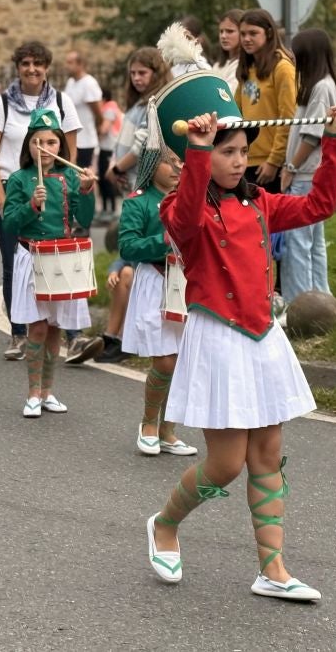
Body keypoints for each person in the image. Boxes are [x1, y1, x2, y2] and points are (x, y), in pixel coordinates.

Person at [144, 70, 336, 602]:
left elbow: (319, 206)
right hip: (217, 339)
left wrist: (335, 142)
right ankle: (165, 524)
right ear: (203, 155)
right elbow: (187, 216)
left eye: (242, 150)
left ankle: (272, 570)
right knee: (226, 464)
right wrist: (194, 149)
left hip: (263, 338)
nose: (239, 160)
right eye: (227, 151)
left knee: (268, 453)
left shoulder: (257, 203)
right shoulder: (179, 208)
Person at [0, 41, 83, 361]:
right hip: (14, 188)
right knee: (15, 264)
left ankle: (72, 335)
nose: (32, 69)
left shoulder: (62, 102)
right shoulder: (1, 103)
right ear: (18, 67)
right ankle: (19, 333)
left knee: (60, 257)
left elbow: (70, 153)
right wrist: (1, 200)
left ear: (47, 68)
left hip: (54, 190)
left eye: (38, 63)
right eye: (26, 63)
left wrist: (69, 187)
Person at [2, 108, 96, 417]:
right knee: (38, 328)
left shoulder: (70, 175)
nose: (44, 148)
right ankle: (32, 393)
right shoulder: (18, 179)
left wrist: (86, 190)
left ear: (60, 146)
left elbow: (84, 218)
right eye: (38, 142)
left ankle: (48, 392)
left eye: (51, 142)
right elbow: (10, 223)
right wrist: (32, 205)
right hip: (32, 255)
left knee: (55, 328)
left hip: (63, 258)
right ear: (29, 145)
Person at [119, 151, 197, 456]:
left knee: (181, 363)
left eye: (181, 161)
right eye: (170, 161)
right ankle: (148, 424)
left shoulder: (192, 198)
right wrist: (162, 241)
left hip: (188, 283)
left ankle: (168, 431)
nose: (178, 166)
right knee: (165, 360)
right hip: (155, 282)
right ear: (152, 166)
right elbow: (126, 245)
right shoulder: (137, 202)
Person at [278, 28, 336, 306]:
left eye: (296, 53)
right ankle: (321, 301)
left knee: (298, 244)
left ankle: (300, 304)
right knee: (314, 244)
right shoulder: (323, 85)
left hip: (303, 176)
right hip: (308, 175)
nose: (293, 57)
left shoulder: (320, 88)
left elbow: (311, 135)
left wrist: (290, 167)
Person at [236, 8, 296, 192]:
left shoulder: (282, 68)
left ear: (269, 33)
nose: (246, 39)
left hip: (270, 164)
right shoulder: (247, 69)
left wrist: (274, 161)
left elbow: (288, 118)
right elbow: (236, 113)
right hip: (246, 159)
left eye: (253, 33)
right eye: (243, 34)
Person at [107, 47, 172, 192]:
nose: (136, 78)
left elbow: (142, 146)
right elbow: (121, 140)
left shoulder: (155, 103)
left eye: (142, 73)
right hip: (128, 178)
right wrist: (115, 164)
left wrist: (117, 169)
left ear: (157, 74)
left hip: (142, 182)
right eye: (133, 73)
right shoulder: (139, 102)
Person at [64, 50, 104, 169]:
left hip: (86, 140)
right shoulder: (70, 82)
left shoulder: (89, 83)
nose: (67, 66)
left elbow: (98, 113)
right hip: (71, 138)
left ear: (80, 64)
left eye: (70, 62)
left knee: (84, 176)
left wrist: (97, 129)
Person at [96, 88, 122, 221]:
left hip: (109, 148)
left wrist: (95, 132)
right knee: (102, 178)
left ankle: (111, 210)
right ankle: (105, 209)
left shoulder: (109, 109)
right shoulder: (110, 107)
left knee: (107, 178)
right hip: (106, 148)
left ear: (103, 98)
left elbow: (105, 129)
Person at [212, 9, 243, 95]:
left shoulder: (243, 64)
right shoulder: (218, 65)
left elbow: (228, 96)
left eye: (230, 31)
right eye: (221, 31)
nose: (223, 36)